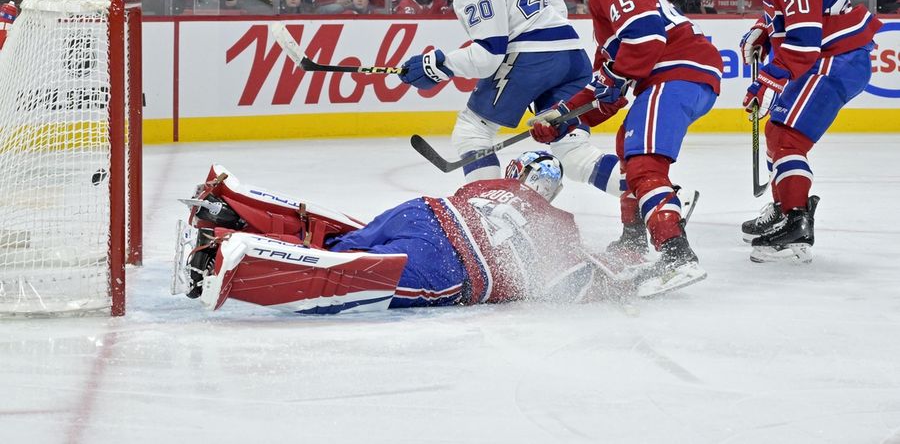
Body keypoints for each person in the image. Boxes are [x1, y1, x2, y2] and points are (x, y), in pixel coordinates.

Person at [178, 152, 641, 312]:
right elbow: (581, 280)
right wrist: (634, 269)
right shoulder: (557, 223)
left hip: (423, 212)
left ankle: (228, 208)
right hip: (452, 266)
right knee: (347, 275)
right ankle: (231, 257)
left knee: (337, 243)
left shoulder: (491, 183)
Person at [528, 0, 722, 296]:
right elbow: (606, 96)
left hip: (677, 73)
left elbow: (647, 40)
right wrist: (564, 118)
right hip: (684, 77)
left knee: (644, 163)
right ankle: (634, 239)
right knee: (627, 147)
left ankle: (677, 254)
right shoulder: (609, 14)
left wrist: (614, 76)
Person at [397, 0, 615, 189]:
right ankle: (644, 194)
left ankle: (488, 210)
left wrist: (440, 65)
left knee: (472, 130)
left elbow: (489, 55)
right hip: (572, 56)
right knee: (573, 154)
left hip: (532, 60)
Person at [741, 0, 882, 262]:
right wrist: (763, 29)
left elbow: (803, 38)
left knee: (787, 138)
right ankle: (785, 207)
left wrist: (768, 80)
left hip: (834, 58)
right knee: (780, 133)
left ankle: (795, 225)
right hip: (831, 54)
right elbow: (791, 14)